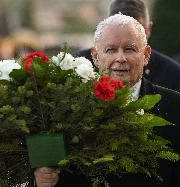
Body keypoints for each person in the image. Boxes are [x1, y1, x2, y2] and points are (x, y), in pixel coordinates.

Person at [34, 14, 180, 187]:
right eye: (111, 50)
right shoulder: (67, 108)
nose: (120, 58)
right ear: (95, 56)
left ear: (146, 55)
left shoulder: (175, 107)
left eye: (129, 49)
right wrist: (40, 180)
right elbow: (50, 172)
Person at [79, 0, 180, 93]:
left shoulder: (172, 74)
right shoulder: (76, 65)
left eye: (138, 30)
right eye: (111, 49)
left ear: (148, 29)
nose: (120, 58)